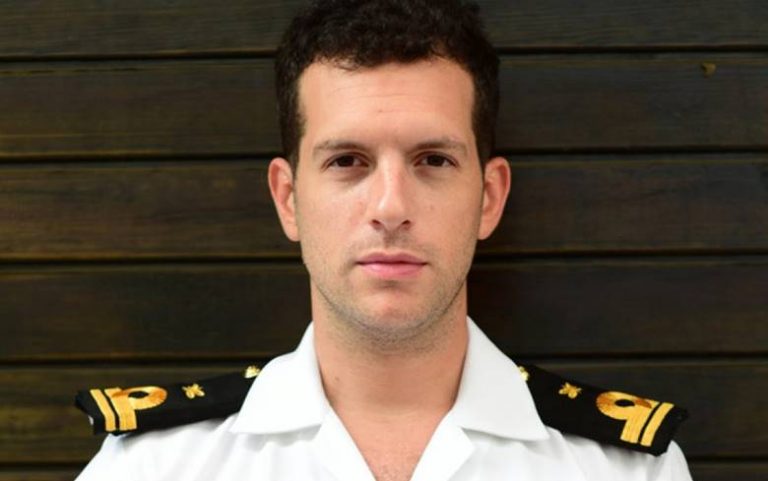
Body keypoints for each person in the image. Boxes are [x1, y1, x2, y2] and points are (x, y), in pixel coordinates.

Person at [74, 0, 693, 479]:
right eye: (347, 161)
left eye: (433, 160)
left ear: (489, 197)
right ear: (289, 199)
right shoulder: (153, 467)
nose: (391, 207)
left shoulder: (627, 470)